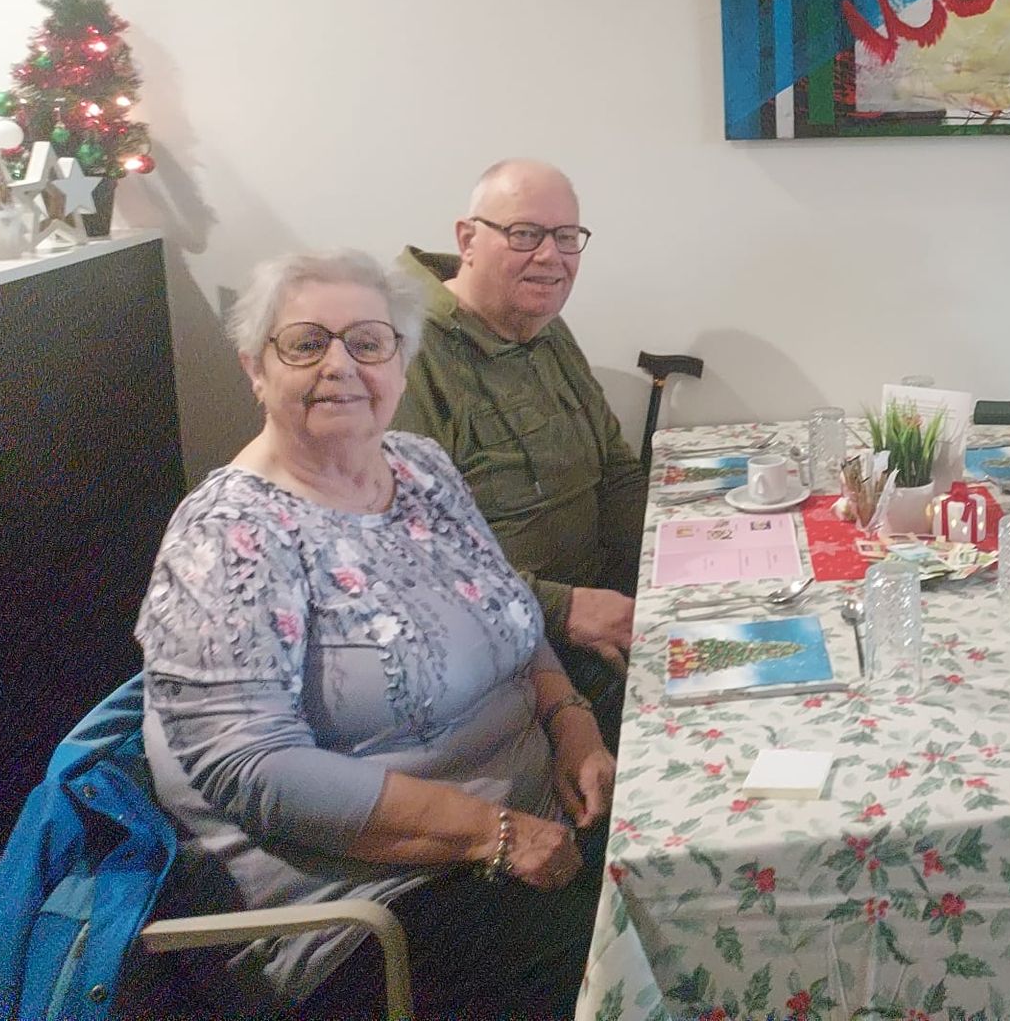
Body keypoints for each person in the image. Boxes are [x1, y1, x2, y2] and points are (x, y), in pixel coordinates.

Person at [135, 251, 612, 1018]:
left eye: (368, 342)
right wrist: (491, 833)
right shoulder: (227, 537)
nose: (340, 366)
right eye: (306, 344)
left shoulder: (419, 467)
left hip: (535, 815)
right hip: (376, 904)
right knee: (641, 963)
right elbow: (256, 768)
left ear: (399, 361)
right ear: (255, 367)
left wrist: (571, 719)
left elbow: (510, 615)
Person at [395, 160, 645, 726]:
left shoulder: (542, 323)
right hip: (508, 653)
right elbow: (408, 559)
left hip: (601, 603)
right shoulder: (404, 354)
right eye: (525, 234)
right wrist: (562, 608)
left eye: (566, 237)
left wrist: (678, 558)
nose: (550, 256)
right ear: (467, 240)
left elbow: (617, 473)